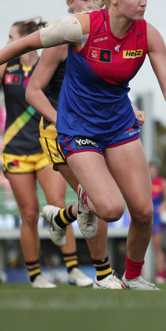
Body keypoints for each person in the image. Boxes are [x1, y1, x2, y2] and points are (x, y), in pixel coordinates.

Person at [0, 0, 166, 290]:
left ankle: (132, 277)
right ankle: (71, 227)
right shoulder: (77, 27)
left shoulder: (148, 34)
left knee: (143, 212)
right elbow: (23, 46)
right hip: (78, 129)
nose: (143, 2)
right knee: (109, 208)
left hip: (119, 126)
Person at [28, 0, 127, 289]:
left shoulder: (105, 39)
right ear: (70, 3)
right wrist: (62, 120)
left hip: (97, 130)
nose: (92, 2)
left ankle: (61, 217)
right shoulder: (62, 39)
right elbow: (33, 92)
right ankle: (103, 275)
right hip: (61, 132)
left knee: (104, 202)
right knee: (99, 201)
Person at [1, 19, 93, 288]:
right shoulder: (8, 67)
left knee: (56, 201)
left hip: (44, 145)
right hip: (15, 149)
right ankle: (35, 274)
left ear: (25, 38)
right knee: (28, 215)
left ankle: (73, 270)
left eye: (11, 36)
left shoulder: (47, 62)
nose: (8, 41)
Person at [148, 161, 166, 283]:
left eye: (154, 169)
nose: (153, 172)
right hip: (145, 214)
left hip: (156, 217)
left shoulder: (163, 182)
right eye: (151, 169)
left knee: (157, 247)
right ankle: (134, 274)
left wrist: (162, 207)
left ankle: (161, 275)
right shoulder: (143, 180)